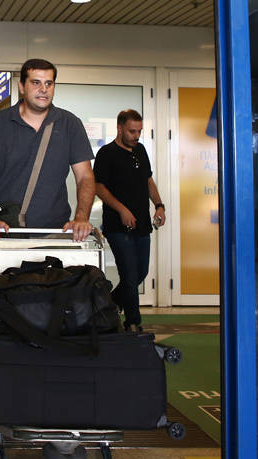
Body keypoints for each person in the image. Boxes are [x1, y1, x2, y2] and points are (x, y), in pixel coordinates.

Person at [0, 58, 95, 243]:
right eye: (36, 82)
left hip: (56, 233)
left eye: (49, 83)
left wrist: (81, 218)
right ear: (22, 86)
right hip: (7, 233)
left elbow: (85, 177)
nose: (43, 89)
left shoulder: (70, 124)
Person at [93, 109, 166, 332]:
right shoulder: (106, 153)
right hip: (117, 226)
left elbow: (148, 180)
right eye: (132, 131)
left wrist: (159, 205)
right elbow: (98, 187)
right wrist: (122, 209)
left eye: (139, 131)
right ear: (119, 128)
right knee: (130, 274)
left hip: (142, 224)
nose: (136, 136)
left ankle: (112, 304)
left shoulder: (140, 150)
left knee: (140, 273)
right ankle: (133, 323)